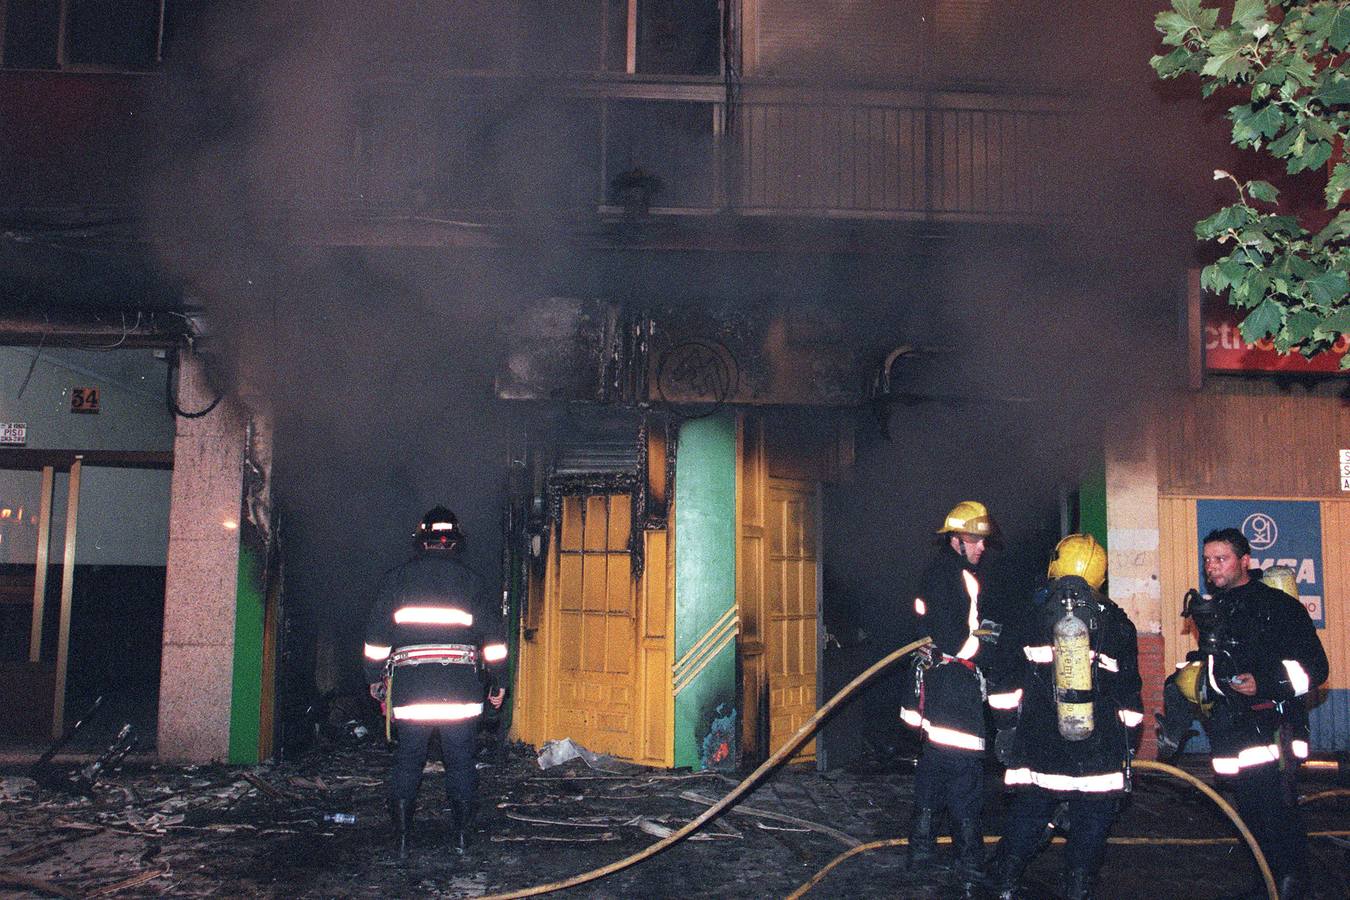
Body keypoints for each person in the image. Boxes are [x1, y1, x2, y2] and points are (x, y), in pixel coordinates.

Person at [1156, 528, 1328, 899]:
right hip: (1232, 730)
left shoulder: (1279, 607)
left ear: (1245, 561)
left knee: (1277, 814)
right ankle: (1263, 886)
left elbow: (1317, 667)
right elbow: (1218, 666)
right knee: (1250, 815)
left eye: (1221, 559)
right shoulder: (1215, 610)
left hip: (1272, 727)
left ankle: (1293, 889)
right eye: (1207, 560)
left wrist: (1264, 683)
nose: (1211, 567)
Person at [987, 533, 1142, 900]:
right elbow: (1130, 693)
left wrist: (1007, 730)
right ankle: (1077, 886)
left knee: (1031, 812)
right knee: (1092, 822)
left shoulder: (1029, 616)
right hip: (1100, 750)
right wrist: (1128, 747)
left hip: (1041, 744)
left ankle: (1006, 880)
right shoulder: (1118, 623)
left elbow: (1003, 681)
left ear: (1056, 565)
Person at [363, 507, 508, 858]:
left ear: (421, 539)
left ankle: (401, 839)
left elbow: (376, 639)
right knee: (460, 760)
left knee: (408, 758)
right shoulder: (472, 581)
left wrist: (374, 680)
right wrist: (498, 683)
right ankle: (460, 836)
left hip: (412, 690)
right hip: (460, 691)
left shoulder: (396, 579)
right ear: (456, 540)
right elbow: (494, 639)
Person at [900, 500, 998, 888]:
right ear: (957, 540)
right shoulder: (965, 580)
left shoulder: (930, 574)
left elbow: (923, 625)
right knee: (965, 777)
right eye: (975, 540)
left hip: (931, 686)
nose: (981, 548)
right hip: (957, 689)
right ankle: (971, 861)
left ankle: (920, 850)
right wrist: (988, 642)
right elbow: (962, 642)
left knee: (932, 767)